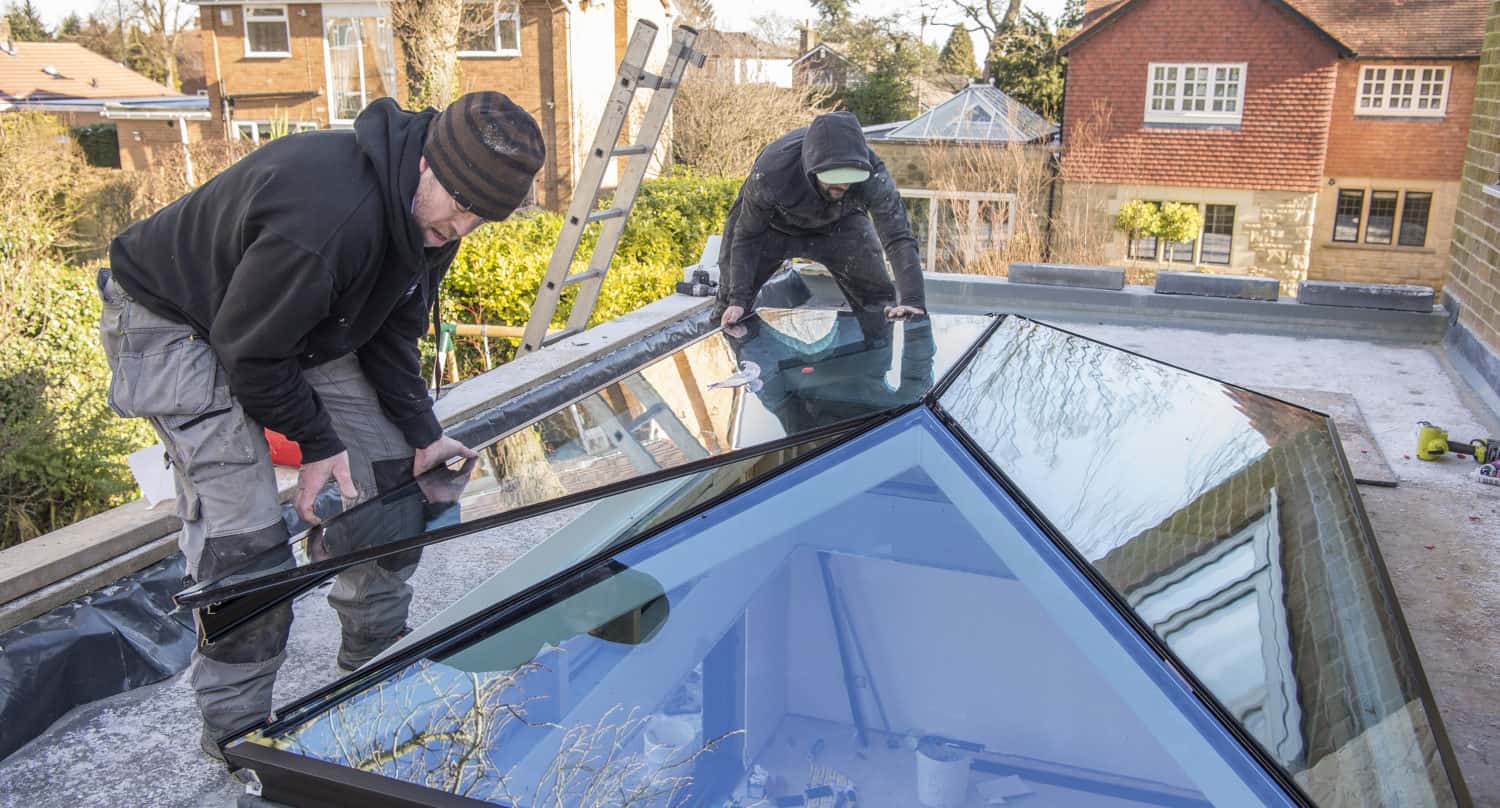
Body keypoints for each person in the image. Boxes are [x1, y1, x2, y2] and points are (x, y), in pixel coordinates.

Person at [97, 91, 546, 760]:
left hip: (282, 319)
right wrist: (316, 443)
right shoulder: (331, 215)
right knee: (245, 546)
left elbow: (393, 329)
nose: (461, 227)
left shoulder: (431, 220)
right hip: (172, 321)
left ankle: (371, 671)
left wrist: (423, 433)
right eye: (458, 206)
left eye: (478, 219)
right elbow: (250, 353)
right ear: (424, 163)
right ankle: (237, 738)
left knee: (394, 478)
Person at [715, 111, 926, 328]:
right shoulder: (771, 172)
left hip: (840, 224)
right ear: (813, 168)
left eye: (850, 179)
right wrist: (737, 300)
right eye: (835, 179)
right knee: (731, 304)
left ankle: (875, 350)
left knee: (878, 298)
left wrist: (913, 300)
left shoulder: (874, 175)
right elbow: (747, 235)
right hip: (770, 227)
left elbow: (898, 236)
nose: (844, 186)